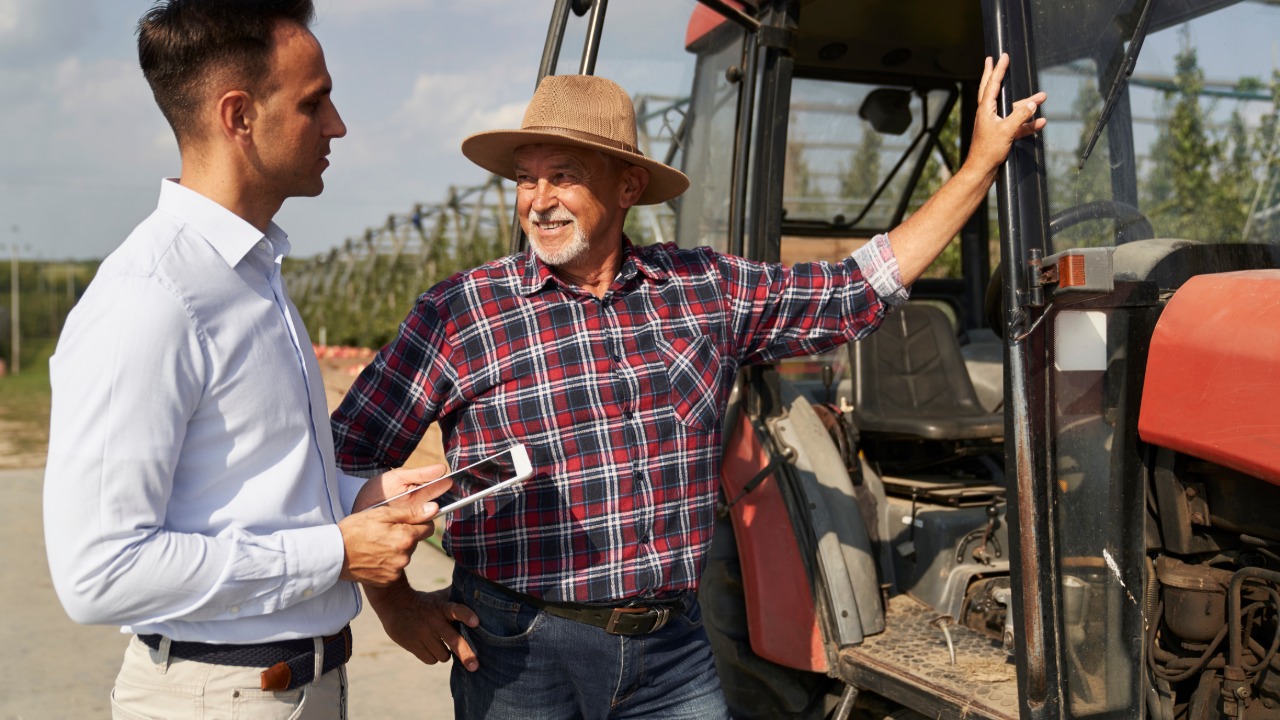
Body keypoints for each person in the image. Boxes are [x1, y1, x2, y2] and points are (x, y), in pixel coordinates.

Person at [331, 57, 1046, 719]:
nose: (539, 201)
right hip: (521, 654)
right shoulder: (463, 311)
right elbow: (351, 454)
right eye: (526, 178)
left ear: (628, 186)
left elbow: (857, 287)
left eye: (564, 175)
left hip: (670, 653)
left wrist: (982, 162)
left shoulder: (701, 287)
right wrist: (392, 603)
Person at [42, 2, 450, 718]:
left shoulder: (249, 273)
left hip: (290, 686)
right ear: (239, 117)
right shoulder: (153, 298)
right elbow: (99, 571)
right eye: (313, 102)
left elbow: (243, 486)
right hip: (222, 697)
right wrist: (335, 552)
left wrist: (360, 497)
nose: (338, 125)